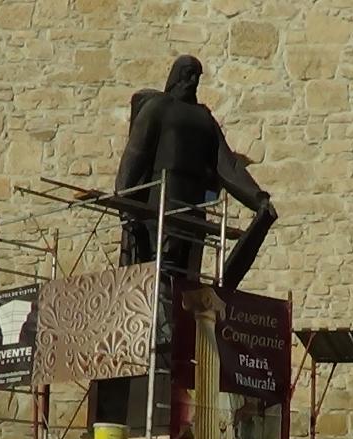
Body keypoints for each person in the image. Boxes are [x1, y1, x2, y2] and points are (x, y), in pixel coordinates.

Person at [115, 55, 278, 289]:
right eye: (188, 74)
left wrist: (256, 197)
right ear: (176, 76)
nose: (192, 80)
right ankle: (161, 318)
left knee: (187, 276)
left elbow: (228, 166)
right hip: (163, 202)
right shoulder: (157, 108)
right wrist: (125, 203)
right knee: (161, 271)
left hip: (193, 209)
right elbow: (135, 154)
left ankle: (177, 320)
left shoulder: (204, 119)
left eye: (196, 76)